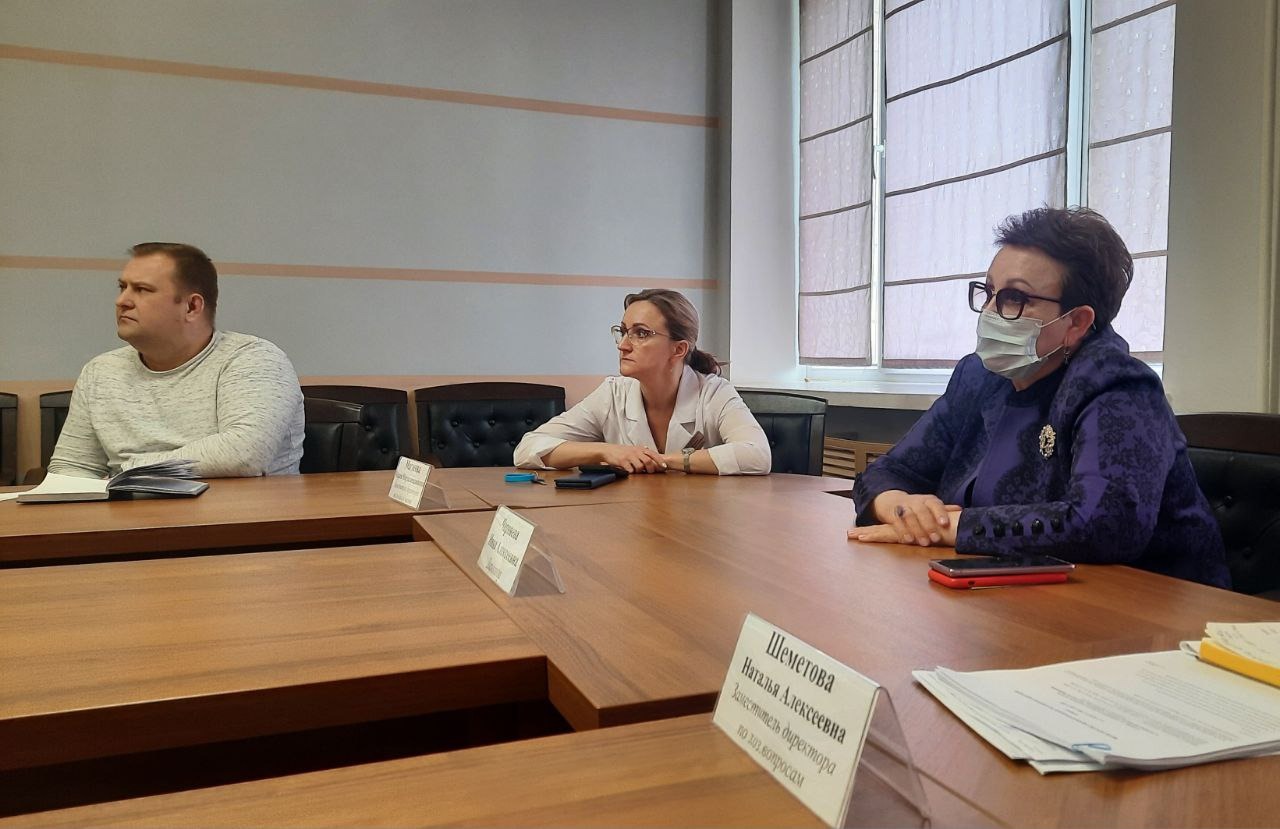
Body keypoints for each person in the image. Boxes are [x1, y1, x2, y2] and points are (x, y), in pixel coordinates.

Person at [849, 207, 1230, 588]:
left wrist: (950, 526)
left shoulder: (1117, 386)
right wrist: (898, 506)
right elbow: (889, 470)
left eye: (1014, 298)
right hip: (1007, 592)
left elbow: (1106, 524)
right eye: (989, 292)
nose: (989, 312)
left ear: (1076, 322)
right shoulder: (978, 377)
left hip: (1150, 603)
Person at [48, 242, 305, 479]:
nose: (121, 301)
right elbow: (70, 467)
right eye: (122, 287)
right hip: (127, 511)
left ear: (192, 307)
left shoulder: (254, 359)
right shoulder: (100, 372)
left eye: (142, 289)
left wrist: (127, 471)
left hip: (237, 512)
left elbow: (244, 455)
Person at [514, 289, 771, 475]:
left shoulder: (714, 393)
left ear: (678, 349)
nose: (623, 345)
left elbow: (757, 455)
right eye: (623, 331)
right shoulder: (613, 394)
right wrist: (606, 451)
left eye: (641, 333)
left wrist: (664, 460)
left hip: (702, 520)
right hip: (631, 517)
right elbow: (528, 448)